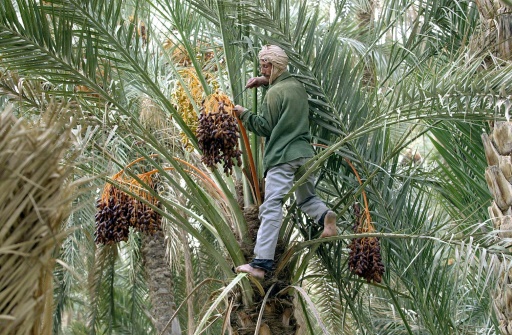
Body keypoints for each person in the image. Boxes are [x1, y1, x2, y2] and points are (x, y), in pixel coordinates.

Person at [232, 45, 337, 279]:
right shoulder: (297, 87)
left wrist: (244, 113)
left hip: (283, 157)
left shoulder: (274, 93)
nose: (263, 69)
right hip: (304, 154)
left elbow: (265, 127)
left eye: (266, 65)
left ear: (277, 65)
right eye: (262, 65)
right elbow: (284, 97)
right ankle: (326, 218)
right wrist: (263, 80)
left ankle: (260, 264)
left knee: (271, 206)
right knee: (307, 197)